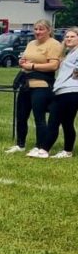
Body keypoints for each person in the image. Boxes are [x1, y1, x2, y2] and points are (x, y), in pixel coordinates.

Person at [11, 20, 63, 157]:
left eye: (41, 29)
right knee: (21, 115)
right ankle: (20, 144)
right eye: (36, 29)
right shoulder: (31, 43)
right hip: (26, 83)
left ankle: (40, 146)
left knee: (39, 117)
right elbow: (26, 59)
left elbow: (53, 66)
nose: (38, 32)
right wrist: (22, 62)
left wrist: (33, 66)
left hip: (41, 85)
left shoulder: (54, 44)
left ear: (49, 30)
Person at [41, 26, 78, 159]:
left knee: (56, 120)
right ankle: (66, 151)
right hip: (62, 90)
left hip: (71, 91)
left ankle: (45, 150)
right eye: (67, 36)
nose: (68, 39)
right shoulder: (70, 52)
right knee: (66, 122)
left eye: (72, 36)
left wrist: (75, 71)